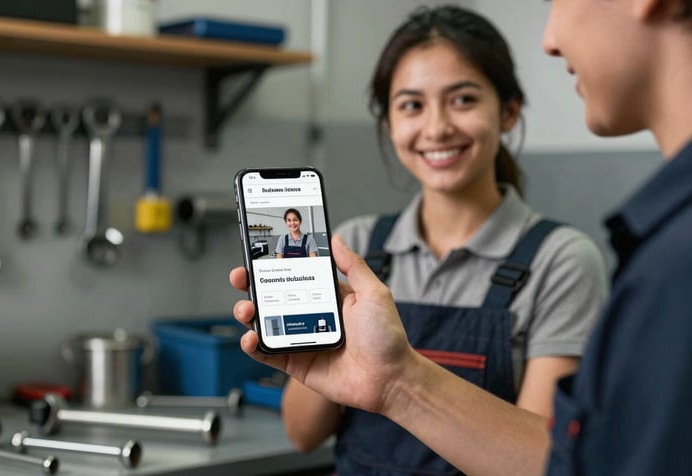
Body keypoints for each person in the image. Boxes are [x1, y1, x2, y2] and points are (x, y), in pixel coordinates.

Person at [231, 0, 692, 474]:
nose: (436, 127)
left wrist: (398, 380)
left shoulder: (562, 259)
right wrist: (316, 343)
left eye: (463, 99)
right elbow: (302, 434)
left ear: (509, 112)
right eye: (411, 105)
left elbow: (552, 461)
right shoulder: (355, 248)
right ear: (389, 123)